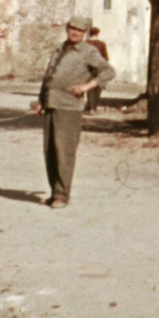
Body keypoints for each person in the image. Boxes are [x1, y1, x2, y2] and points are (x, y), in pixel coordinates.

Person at [30, 15, 114, 208]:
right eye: (72, 28)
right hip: (52, 104)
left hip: (69, 107)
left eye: (80, 30)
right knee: (50, 150)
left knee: (64, 151)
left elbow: (108, 71)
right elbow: (48, 78)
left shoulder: (88, 51)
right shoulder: (58, 49)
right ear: (67, 28)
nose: (75, 32)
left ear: (84, 33)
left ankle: (62, 195)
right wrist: (41, 101)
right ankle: (54, 192)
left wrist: (87, 87)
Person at [85, 26, 110, 112]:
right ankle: (94, 106)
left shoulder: (85, 43)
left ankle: (91, 107)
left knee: (89, 87)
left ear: (89, 33)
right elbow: (106, 57)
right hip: (99, 68)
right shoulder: (102, 44)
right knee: (98, 86)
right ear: (97, 34)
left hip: (88, 68)